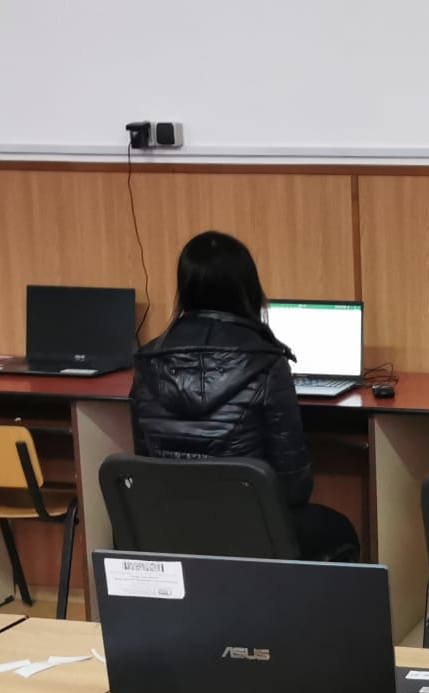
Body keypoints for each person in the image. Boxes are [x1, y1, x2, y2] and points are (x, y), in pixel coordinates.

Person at [129, 230, 360, 563]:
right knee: (339, 530)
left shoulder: (147, 360)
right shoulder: (266, 362)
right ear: (246, 288)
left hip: (169, 529)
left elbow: (144, 464)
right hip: (250, 531)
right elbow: (295, 487)